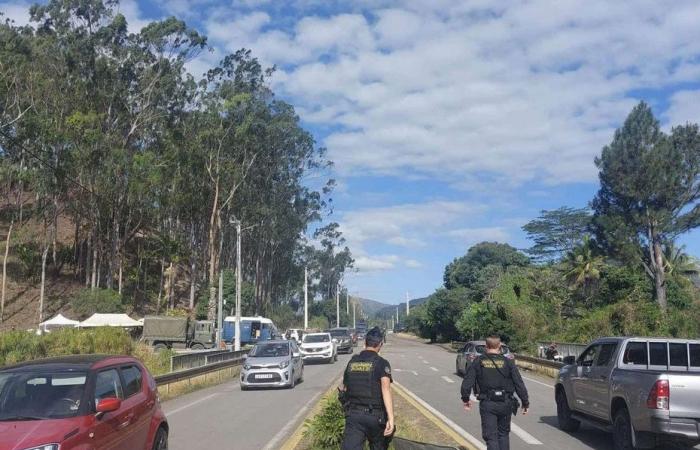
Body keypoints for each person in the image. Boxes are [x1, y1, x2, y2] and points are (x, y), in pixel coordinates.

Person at [460, 335, 529, 450]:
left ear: (486, 346)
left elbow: (467, 382)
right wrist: (525, 402)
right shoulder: (508, 362)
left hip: (488, 403)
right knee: (503, 435)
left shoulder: (479, 361)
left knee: (491, 437)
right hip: (506, 403)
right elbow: (519, 383)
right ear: (500, 346)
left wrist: (466, 399)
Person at [338, 326, 395, 450]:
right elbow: (386, 390)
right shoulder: (382, 363)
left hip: (354, 416)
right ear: (380, 344)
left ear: (365, 343)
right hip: (375, 417)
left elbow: (343, 387)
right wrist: (391, 418)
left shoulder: (352, 362)